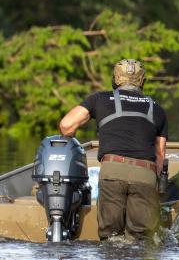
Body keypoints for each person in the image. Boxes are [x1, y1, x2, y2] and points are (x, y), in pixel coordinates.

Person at [58, 58, 168, 240]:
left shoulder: (99, 98)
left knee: (111, 239)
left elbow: (66, 125)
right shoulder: (158, 109)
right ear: (142, 81)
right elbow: (159, 154)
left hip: (112, 171)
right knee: (142, 241)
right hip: (145, 174)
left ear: (115, 79)